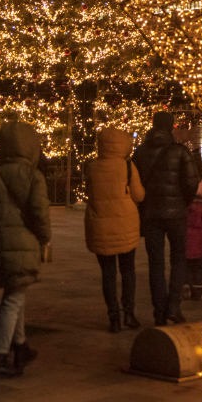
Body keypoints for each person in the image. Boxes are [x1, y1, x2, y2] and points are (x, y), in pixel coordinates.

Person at [0, 119, 51, 378]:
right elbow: (39, 213)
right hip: (23, 244)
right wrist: (45, 238)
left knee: (16, 293)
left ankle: (21, 346)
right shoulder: (33, 176)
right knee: (13, 299)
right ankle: (0, 356)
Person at [132, 111, 201, 326]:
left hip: (151, 214)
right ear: (171, 127)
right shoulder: (179, 151)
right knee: (179, 259)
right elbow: (191, 182)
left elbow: (135, 183)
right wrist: (183, 202)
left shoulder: (141, 152)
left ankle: (159, 311)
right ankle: (173, 307)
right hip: (177, 214)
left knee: (156, 263)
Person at [83, 126, 145, 332]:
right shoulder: (127, 166)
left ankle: (114, 317)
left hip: (100, 225)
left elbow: (90, 192)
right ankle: (129, 313)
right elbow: (138, 195)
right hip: (125, 225)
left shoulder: (92, 167)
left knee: (108, 273)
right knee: (128, 271)